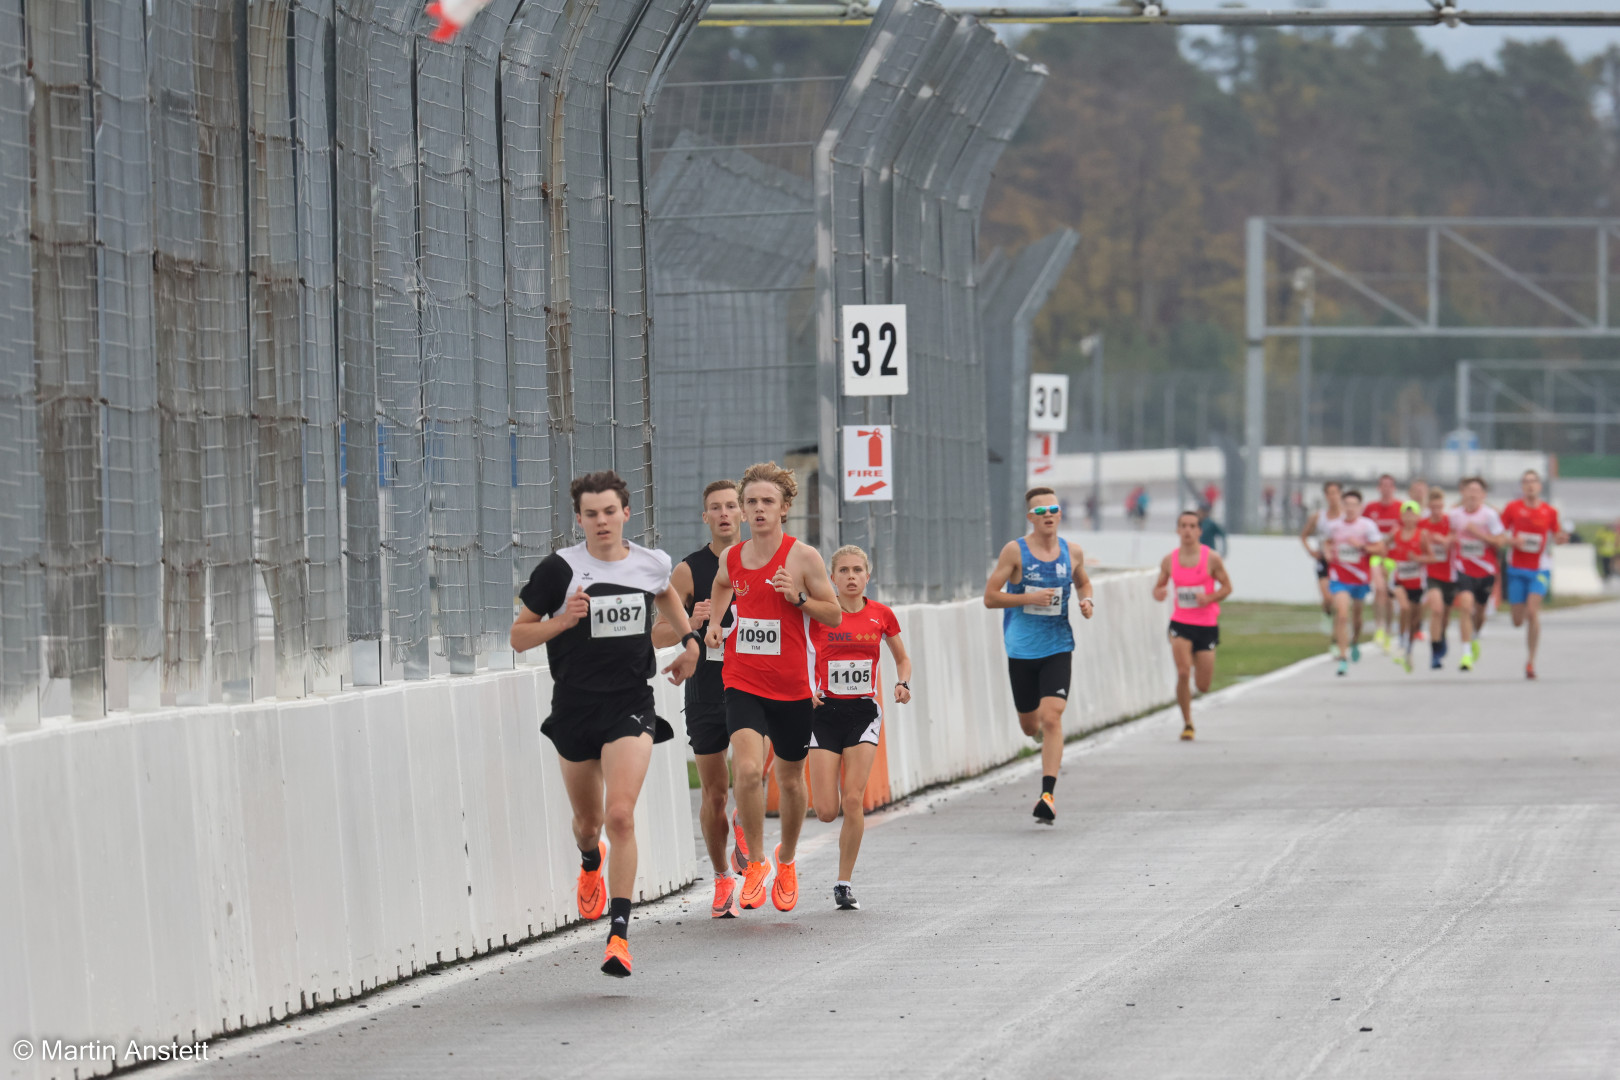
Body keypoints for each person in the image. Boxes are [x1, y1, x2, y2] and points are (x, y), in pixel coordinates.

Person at [509, 470, 701, 978]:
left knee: (621, 815)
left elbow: (666, 595)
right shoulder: (559, 570)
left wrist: (690, 643)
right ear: (579, 519)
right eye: (591, 514)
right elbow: (519, 637)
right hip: (574, 707)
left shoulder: (651, 563)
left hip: (629, 704)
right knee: (590, 825)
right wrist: (564, 621)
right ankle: (590, 860)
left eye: (609, 512)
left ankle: (619, 935)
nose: (601, 522)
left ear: (626, 514)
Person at [703, 462, 841, 913]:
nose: (759, 509)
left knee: (790, 779)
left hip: (792, 685)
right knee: (745, 770)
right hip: (742, 678)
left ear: (784, 508)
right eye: (751, 502)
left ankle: (786, 859)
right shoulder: (733, 557)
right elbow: (722, 584)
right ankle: (757, 862)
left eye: (767, 502)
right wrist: (717, 624)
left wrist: (797, 598)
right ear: (743, 510)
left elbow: (834, 614)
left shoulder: (803, 557)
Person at [649, 479, 751, 918]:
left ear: (744, 513)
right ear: (705, 517)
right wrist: (688, 621)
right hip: (708, 687)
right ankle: (722, 878)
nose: (725, 513)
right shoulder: (689, 570)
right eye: (716, 507)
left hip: (755, 683)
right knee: (714, 792)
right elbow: (655, 636)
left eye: (732, 506)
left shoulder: (765, 561)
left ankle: (747, 827)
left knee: (751, 773)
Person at [808, 545, 912, 910]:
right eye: (843, 571)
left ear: (868, 576)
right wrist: (806, 689)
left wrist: (903, 683)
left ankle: (843, 882)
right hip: (824, 713)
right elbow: (796, 650)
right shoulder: (820, 614)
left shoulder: (881, 615)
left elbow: (902, 657)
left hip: (864, 712)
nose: (851, 577)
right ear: (832, 578)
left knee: (853, 798)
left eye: (857, 570)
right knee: (825, 810)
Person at [984, 486, 1095, 824]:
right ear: (1031, 517)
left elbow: (1084, 583)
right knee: (1030, 724)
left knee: (1052, 717)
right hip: (1021, 650)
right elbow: (990, 597)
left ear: (1060, 515)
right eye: (1041, 511)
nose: (1048, 515)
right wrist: (1027, 599)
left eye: (1053, 510)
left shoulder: (1072, 552)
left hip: (1058, 645)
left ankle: (1047, 794)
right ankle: (1035, 733)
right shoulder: (1015, 552)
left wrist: (1087, 601)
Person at [1153, 510, 1233, 741]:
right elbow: (1159, 586)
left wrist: (1209, 598)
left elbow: (1227, 587)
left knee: (1204, 685)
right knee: (1182, 671)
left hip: (1206, 624)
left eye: (1192, 526)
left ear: (1199, 530)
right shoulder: (1169, 560)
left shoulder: (1212, 558)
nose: (1187, 530)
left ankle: (1196, 689)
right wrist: (1158, 592)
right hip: (1181, 622)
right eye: (1183, 526)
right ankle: (1187, 723)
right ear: (1178, 530)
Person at [1498, 469, 1568, 679]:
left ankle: (1531, 661)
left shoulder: (1550, 511)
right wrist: (1512, 541)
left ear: (1539, 486)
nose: (1530, 486)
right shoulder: (1512, 508)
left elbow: (1557, 535)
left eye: (1534, 482)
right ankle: (1529, 654)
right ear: (1522, 487)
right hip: (1516, 569)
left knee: (1532, 611)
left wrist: (1562, 538)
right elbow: (1499, 535)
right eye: (1526, 482)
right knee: (1517, 620)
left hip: (1540, 569)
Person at [1324, 489, 1386, 677]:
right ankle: (1343, 659)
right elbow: (1326, 542)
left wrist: (1362, 547)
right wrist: (1327, 552)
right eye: (1347, 505)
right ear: (1342, 506)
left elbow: (1381, 549)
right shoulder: (1334, 526)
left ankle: (1355, 640)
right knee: (1342, 615)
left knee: (1357, 617)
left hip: (1360, 577)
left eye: (1354, 505)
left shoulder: (1367, 526)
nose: (1350, 509)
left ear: (1360, 507)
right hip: (1339, 576)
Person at [1449, 476, 1505, 673]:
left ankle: (1475, 636)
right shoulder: (1454, 515)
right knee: (1465, 606)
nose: (1472, 494)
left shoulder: (1489, 516)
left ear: (1483, 495)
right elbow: (1448, 537)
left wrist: (1478, 534)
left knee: (1479, 613)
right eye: (1469, 490)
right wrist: (1449, 539)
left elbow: (1500, 542)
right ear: (1462, 493)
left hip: (1486, 571)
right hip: (1463, 568)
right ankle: (1465, 654)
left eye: (1476, 491)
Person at [1419, 487, 1465, 669]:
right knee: (1436, 610)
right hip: (1431, 574)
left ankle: (1441, 636)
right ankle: (1435, 653)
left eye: (1440, 506)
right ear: (1428, 506)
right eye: (1433, 507)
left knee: (1445, 615)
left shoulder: (1449, 522)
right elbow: (1417, 543)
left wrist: (1445, 540)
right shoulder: (1422, 525)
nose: (1437, 510)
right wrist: (1427, 541)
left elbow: (1455, 539)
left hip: (1450, 574)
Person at [1385, 500, 1430, 673]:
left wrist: (1419, 560)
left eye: (1413, 514)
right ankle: (1401, 643)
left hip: (1417, 583)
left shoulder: (1422, 535)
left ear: (1418, 517)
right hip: (1399, 580)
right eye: (1406, 513)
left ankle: (1408, 650)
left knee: (1414, 619)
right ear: (1402, 516)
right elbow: (1383, 547)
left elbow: (1432, 557)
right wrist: (1387, 560)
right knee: (1404, 607)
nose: (1409, 517)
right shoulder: (1395, 534)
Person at [1362, 474, 1404, 653]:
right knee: (1379, 589)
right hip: (1376, 556)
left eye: (1389, 486)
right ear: (1379, 488)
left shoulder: (1401, 508)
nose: (1386, 489)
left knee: (1389, 595)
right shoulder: (1371, 508)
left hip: (1394, 557)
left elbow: (1407, 531)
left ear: (1393, 488)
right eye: (1383, 485)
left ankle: (1388, 629)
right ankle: (1379, 628)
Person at [1300, 481, 1344, 616]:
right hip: (1323, 560)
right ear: (1325, 495)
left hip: (1341, 560)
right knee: (1328, 598)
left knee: (1339, 600)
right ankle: (1327, 611)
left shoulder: (1346, 516)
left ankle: (1338, 629)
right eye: (1329, 493)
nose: (1332, 497)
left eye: (1335, 493)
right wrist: (1311, 551)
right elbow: (1304, 536)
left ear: (1340, 494)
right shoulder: (1318, 516)